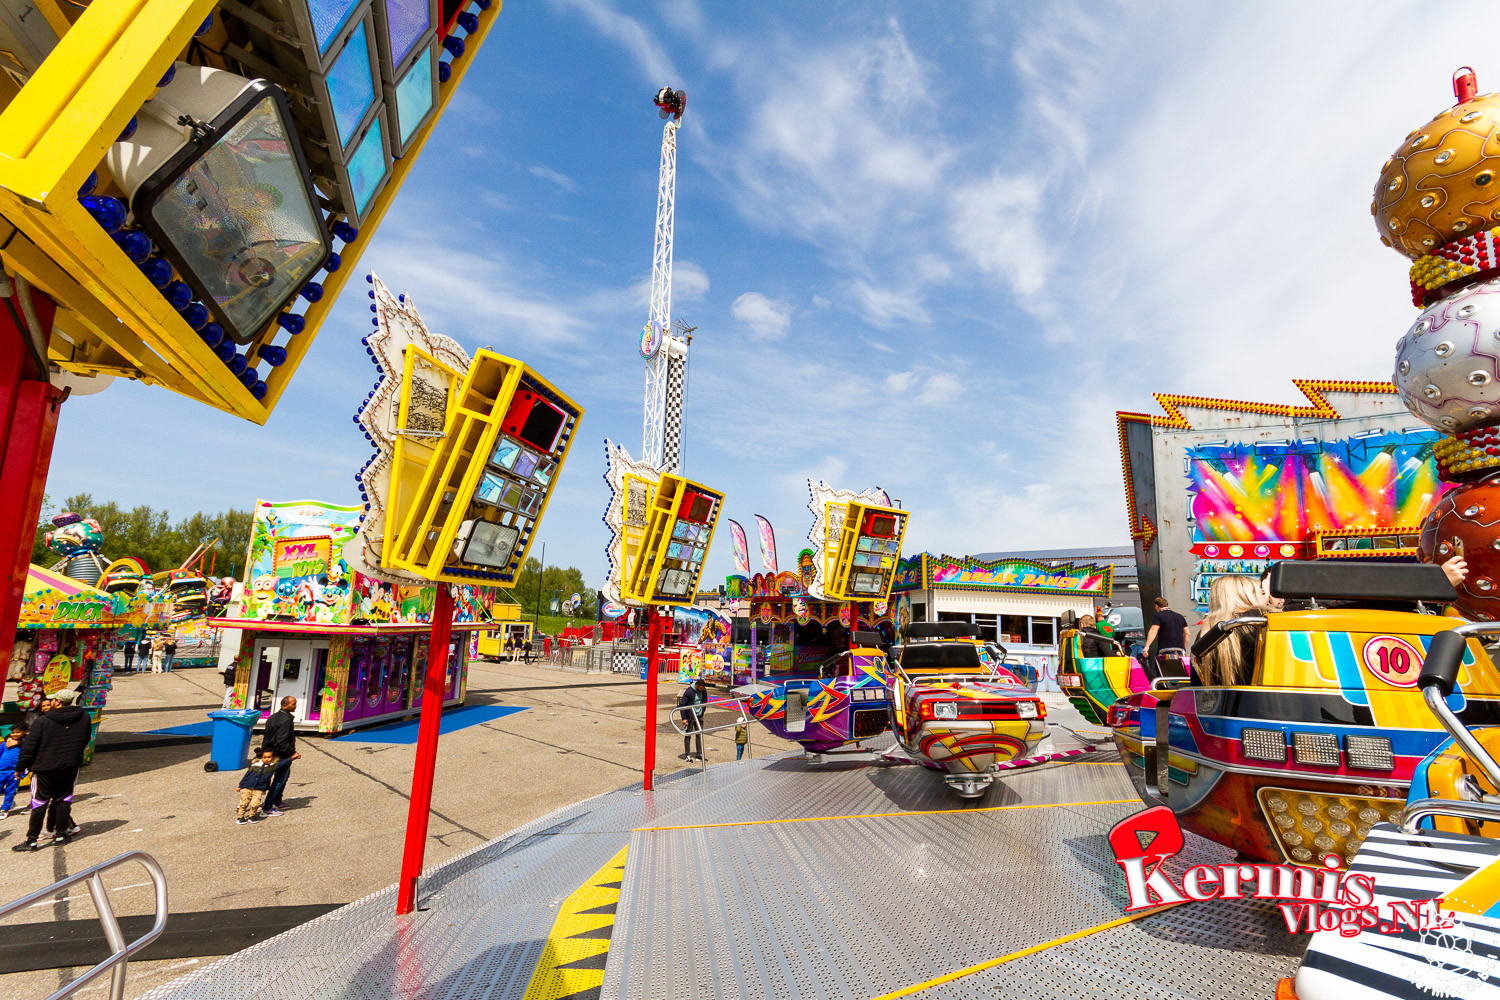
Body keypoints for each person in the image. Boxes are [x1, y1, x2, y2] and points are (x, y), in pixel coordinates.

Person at [12, 689, 91, 851]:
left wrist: (20, 768)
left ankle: (32, 840)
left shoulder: (43, 721)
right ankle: (61, 834)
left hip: (45, 767)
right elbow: (85, 739)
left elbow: (29, 747)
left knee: (39, 802)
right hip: (70, 766)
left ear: (57, 702)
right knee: (63, 799)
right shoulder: (83, 716)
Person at [1194, 575, 1273, 687]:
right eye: (1262, 593)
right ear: (1246, 597)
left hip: (1225, 700)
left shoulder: (1208, 632)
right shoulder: (1260, 622)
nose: (1267, 598)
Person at [261, 696, 300, 816]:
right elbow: (281, 740)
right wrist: (291, 753)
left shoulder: (273, 717)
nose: (295, 706)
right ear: (285, 705)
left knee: (284, 777)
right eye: (293, 704)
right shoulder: (286, 720)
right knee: (279, 780)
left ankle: (277, 800)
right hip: (281, 754)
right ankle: (268, 806)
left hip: (271, 751)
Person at [236, 748, 278, 824]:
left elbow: (268, 779)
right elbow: (246, 776)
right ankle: (240, 817)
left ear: (272, 758)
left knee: (256, 804)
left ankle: (252, 816)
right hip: (247, 787)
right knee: (244, 803)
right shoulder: (255, 765)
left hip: (259, 788)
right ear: (262, 757)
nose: (266, 759)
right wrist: (240, 785)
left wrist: (265, 788)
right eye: (264, 757)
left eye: (269, 757)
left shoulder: (271, 768)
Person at [1145, 596, 1189, 667]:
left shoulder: (1158, 616)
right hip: (1180, 651)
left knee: (1163, 674)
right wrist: (1184, 648)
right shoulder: (1180, 616)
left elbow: (1154, 630)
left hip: (1165, 651)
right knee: (1178, 673)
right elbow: (1187, 634)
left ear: (1157, 606)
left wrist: (1147, 646)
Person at [677, 679, 707, 761]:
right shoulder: (689, 692)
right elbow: (682, 705)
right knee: (688, 734)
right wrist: (684, 718)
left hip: (699, 715)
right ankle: (687, 754)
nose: (702, 690)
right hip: (690, 716)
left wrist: (702, 711)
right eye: (700, 689)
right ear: (697, 686)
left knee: (699, 734)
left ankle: (699, 753)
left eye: (703, 689)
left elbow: (704, 701)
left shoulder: (704, 691)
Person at [0, 724, 25, 817]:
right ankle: (8, 805)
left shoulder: (24, 743)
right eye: (13, 732)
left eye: (17, 732)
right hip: (1, 771)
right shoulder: (5, 743)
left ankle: (5, 809)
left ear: (24, 732)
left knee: (10, 790)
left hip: (15, 772)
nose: (14, 734)